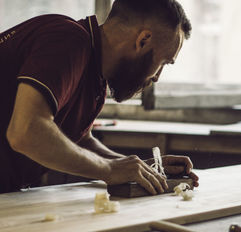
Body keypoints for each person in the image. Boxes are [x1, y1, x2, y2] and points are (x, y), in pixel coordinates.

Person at [0, 0, 199, 194]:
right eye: (163, 62)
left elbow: (77, 141)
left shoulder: (95, 74)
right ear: (143, 40)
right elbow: (26, 132)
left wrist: (137, 168)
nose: (157, 77)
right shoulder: (67, 39)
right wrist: (109, 169)